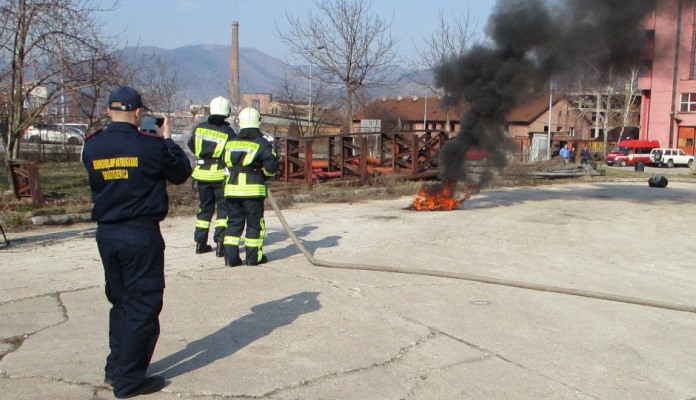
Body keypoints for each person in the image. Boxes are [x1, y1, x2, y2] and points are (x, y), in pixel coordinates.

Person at [82, 86, 192, 399]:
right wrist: (168, 139)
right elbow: (182, 173)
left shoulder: (92, 145)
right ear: (139, 113)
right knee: (142, 306)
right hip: (140, 233)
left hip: (107, 233)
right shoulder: (151, 146)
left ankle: (116, 369)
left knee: (120, 302)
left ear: (107, 111)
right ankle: (130, 381)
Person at [222, 107, 279, 267]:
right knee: (254, 224)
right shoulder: (262, 143)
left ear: (240, 123)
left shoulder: (231, 142)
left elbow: (224, 163)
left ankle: (231, 259)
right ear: (258, 122)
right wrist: (264, 175)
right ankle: (253, 258)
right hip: (253, 190)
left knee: (233, 223)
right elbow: (271, 166)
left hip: (231, 189)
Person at [188, 96, 236, 256]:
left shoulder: (200, 127)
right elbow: (233, 153)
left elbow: (191, 145)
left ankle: (200, 243)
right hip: (220, 175)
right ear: (227, 113)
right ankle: (221, 242)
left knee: (204, 209)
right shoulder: (228, 132)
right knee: (223, 209)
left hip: (202, 174)